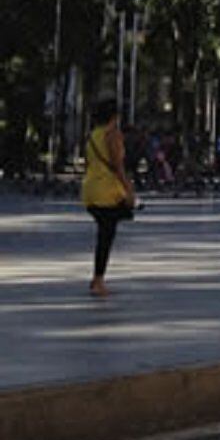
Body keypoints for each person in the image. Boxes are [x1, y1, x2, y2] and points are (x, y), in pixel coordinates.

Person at [82, 100, 136, 298]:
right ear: (114, 116)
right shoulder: (112, 135)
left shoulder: (92, 135)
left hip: (91, 188)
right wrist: (129, 189)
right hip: (107, 190)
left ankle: (97, 278)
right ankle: (98, 280)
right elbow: (118, 166)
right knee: (106, 236)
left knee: (105, 233)